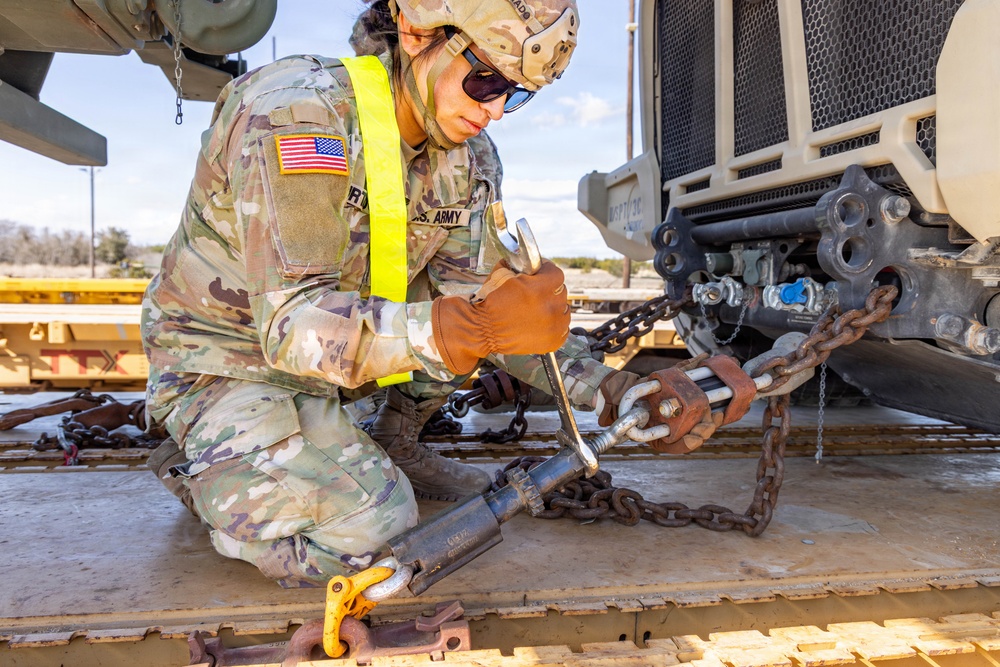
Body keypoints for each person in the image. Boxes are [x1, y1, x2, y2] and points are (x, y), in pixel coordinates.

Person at [142, 0, 718, 588]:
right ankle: (202, 469)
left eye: (515, 95)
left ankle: (389, 441)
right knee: (374, 534)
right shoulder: (300, 113)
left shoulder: (467, 160)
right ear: (417, 33)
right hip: (232, 365)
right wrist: (464, 330)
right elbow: (291, 324)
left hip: (339, 369)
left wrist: (615, 390)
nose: (494, 110)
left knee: (464, 322)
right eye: (486, 79)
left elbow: (490, 311)